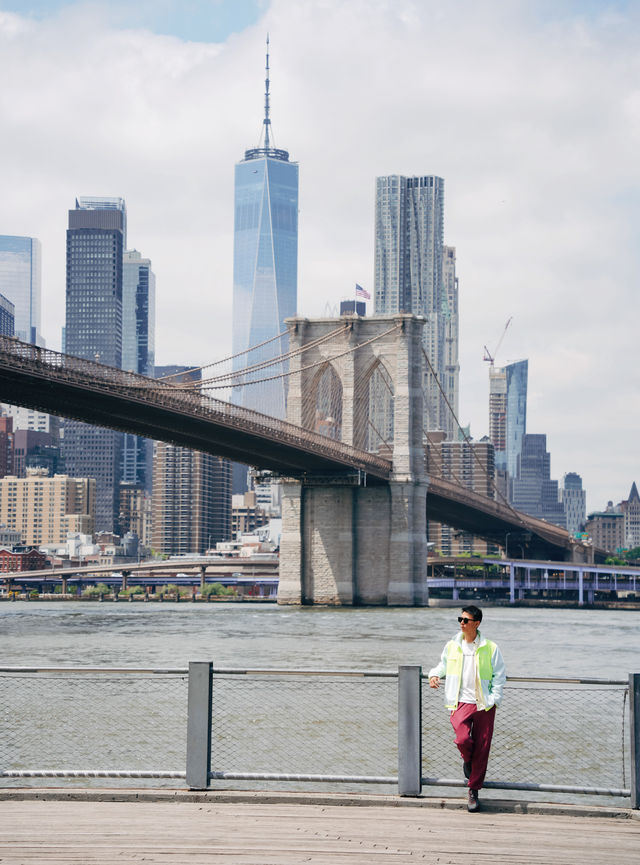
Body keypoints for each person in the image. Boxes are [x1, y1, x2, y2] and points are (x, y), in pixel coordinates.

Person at [428, 605, 506, 812]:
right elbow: (442, 666)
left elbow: (500, 676)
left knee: (482, 748)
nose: (461, 624)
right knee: (463, 739)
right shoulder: (452, 645)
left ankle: (473, 790)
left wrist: (494, 699)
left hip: (484, 704)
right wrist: (434, 675)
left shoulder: (490, 647)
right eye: (460, 620)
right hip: (460, 701)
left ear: (476, 624)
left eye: (465, 620)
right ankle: (467, 761)